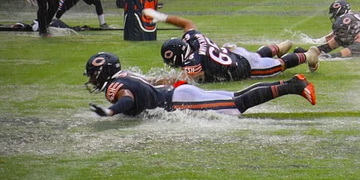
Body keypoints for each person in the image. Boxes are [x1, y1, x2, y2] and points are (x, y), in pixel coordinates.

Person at [84, 52, 315, 117]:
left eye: (94, 75)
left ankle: (294, 86)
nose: (93, 80)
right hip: (180, 93)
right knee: (238, 95)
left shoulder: (115, 87)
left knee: (238, 103)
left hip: (180, 101)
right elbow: (150, 83)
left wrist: (110, 111)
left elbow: (128, 99)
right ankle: (292, 84)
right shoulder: (125, 74)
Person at [144, 8, 319, 83]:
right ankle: (279, 47)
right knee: (257, 56)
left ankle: (309, 55)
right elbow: (186, 23)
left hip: (244, 67)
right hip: (235, 53)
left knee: (279, 66)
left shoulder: (193, 62)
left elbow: (179, 79)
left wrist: (150, 81)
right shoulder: (193, 39)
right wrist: (161, 17)